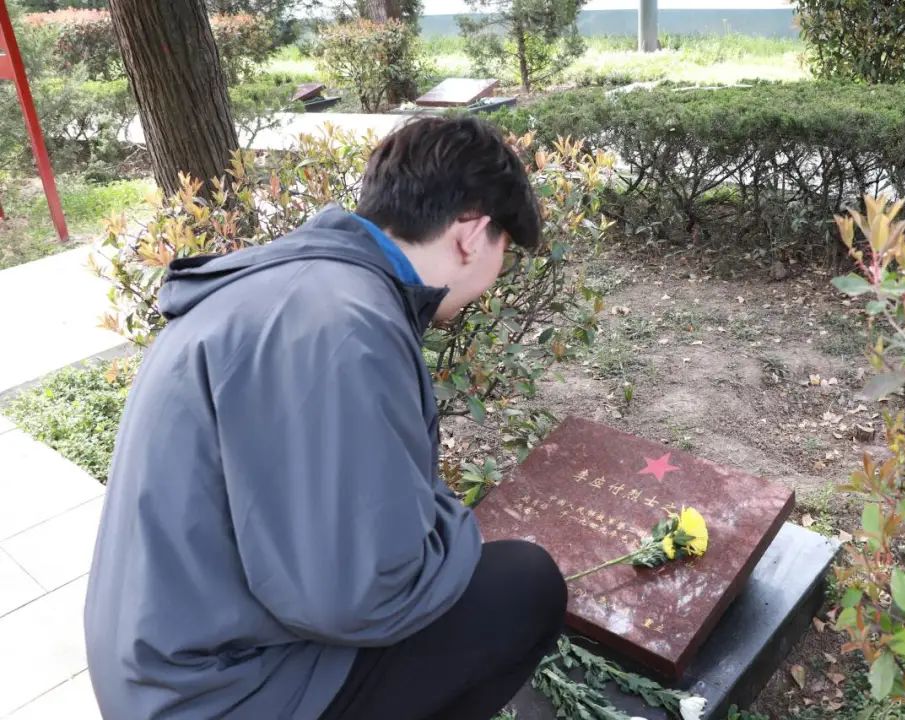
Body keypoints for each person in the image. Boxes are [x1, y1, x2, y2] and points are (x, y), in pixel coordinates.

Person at [84, 116, 568, 720]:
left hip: (161, 662)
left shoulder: (299, 281)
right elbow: (360, 599)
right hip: (213, 692)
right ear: (472, 234)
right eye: (503, 252)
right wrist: (452, 527)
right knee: (524, 585)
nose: (493, 280)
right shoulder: (345, 325)